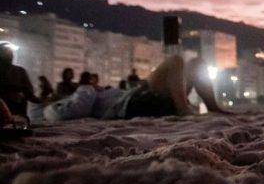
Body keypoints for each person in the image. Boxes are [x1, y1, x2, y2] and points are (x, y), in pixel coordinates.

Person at [35, 55, 230, 123]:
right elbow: (66, 112)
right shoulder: (76, 95)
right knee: (175, 61)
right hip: (133, 104)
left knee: (196, 63)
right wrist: (88, 89)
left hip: (143, 99)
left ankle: (213, 107)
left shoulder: (94, 92)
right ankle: (182, 109)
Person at [0, 42, 35, 118]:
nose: (9, 55)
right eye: (4, 52)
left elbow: (29, 90)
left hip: (16, 105)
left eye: (10, 53)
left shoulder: (20, 71)